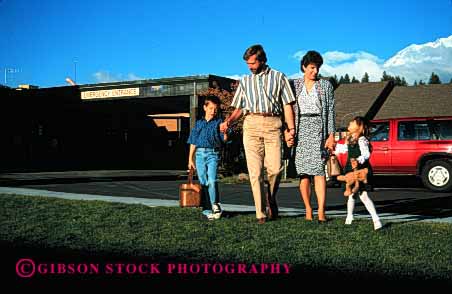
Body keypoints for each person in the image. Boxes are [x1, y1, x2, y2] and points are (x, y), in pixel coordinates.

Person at [219, 44, 296, 224]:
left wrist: (291, 129)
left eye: (253, 63)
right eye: (248, 64)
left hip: (273, 124)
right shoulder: (245, 81)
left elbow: (287, 105)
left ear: (262, 60)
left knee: (275, 169)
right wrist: (229, 121)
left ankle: (270, 198)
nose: (250, 67)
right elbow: (240, 107)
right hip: (251, 125)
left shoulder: (279, 77)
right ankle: (260, 213)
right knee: (255, 173)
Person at [287, 50, 335, 222]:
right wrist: (288, 131)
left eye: (317, 68)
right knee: (304, 174)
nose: (315, 71)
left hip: (318, 130)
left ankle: (321, 211)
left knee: (319, 171)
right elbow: (288, 110)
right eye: (312, 67)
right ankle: (308, 209)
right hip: (300, 131)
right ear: (303, 67)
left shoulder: (326, 85)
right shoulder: (294, 85)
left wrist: (331, 135)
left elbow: (330, 111)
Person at [334, 116, 383, 230]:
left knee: (363, 195)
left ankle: (376, 220)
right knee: (351, 194)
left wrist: (358, 160)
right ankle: (349, 217)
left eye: (352, 122)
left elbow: (366, 154)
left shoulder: (362, 139)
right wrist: (334, 150)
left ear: (359, 127)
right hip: (350, 170)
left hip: (360, 171)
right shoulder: (349, 138)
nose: (349, 124)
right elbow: (343, 150)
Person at [187, 96, 229, 220]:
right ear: (205, 107)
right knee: (204, 182)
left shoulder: (219, 122)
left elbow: (224, 140)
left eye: (215, 109)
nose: (213, 111)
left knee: (212, 180)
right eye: (211, 108)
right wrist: (190, 159)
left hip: (213, 155)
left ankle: (215, 205)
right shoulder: (199, 123)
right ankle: (206, 208)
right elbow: (193, 141)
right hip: (199, 155)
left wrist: (225, 132)